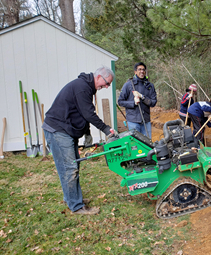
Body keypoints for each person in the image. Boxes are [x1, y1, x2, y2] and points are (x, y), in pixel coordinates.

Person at [43, 66, 116, 215]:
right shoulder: (82, 87)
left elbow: (82, 114)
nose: (107, 87)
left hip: (66, 131)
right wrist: (106, 129)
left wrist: (86, 132)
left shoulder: (87, 87)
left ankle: (71, 198)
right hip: (58, 130)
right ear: (98, 77)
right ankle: (76, 206)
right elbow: (89, 113)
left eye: (108, 85)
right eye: (106, 83)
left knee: (73, 166)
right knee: (70, 169)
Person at [118, 62, 157, 139]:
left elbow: (153, 103)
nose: (142, 71)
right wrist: (133, 103)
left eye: (143, 70)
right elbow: (120, 101)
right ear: (135, 72)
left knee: (148, 144)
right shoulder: (128, 85)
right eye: (139, 69)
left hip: (146, 121)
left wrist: (142, 97)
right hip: (133, 121)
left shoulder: (149, 86)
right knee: (135, 145)